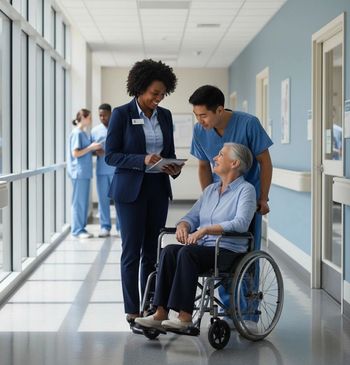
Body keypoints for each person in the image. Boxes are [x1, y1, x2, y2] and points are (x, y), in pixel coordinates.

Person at [135, 143, 256, 330]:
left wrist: (206, 230)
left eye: (220, 155)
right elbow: (191, 217)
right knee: (169, 251)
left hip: (228, 250)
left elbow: (241, 223)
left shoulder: (246, 190)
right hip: (205, 249)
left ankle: (184, 317)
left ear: (234, 163)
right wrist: (183, 226)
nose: (215, 158)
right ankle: (160, 313)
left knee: (187, 253)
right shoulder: (210, 190)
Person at [105, 59, 183, 324]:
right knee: (132, 251)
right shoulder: (121, 114)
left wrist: (173, 167)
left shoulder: (165, 115)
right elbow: (111, 156)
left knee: (152, 250)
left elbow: (169, 152)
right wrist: (141, 160)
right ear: (139, 89)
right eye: (154, 93)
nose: (158, 99)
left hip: (158, 188)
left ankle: (150, 304)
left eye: (162, 94)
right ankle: (132, 309)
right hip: (130, 191)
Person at [188, 85, 273, 311]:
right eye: (196, 115)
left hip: (247, 199)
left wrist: (263, 198)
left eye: (203, 115)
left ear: (219, 110)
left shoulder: (248, 123)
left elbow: (265, 162)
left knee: (244, 254)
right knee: (217, 250)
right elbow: (204, 166)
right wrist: (211, 199)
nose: (200, 121)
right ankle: (229, 309)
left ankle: (247, 311)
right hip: (220, 196)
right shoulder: (199, 131)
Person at [67, 109, 102, 239]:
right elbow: (75, 153)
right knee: (78, 203)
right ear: (83, 117)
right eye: (90, 118)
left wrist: (93, 150)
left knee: (82, 202)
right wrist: (91, 147)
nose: (91, 120)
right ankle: (77, 230)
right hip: (78, 173)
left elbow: (84, 151)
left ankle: (81, 228)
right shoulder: (77, 133)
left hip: (84, 173)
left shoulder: (83, 133)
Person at [91, 103, 120, 237]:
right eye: (100, 115)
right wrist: (96, 152)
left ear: (111, 114)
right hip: (101, 171)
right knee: (103, 200)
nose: (102, 118)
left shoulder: (118, 127)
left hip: (116, 170)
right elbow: (89, 151)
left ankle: (121, 228)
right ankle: (105, 227)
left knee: (119, 200)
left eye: (105, 115)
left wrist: (107, 151)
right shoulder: (95, 131)